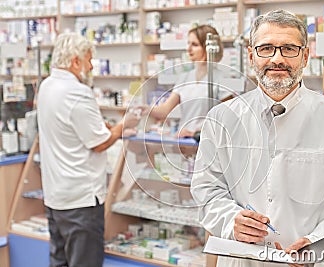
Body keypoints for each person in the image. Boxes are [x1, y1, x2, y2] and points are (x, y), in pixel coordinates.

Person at [190, 9, 324, 267]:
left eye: (289, 48)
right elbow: (206, 190)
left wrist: (319, 242)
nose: (277, 59)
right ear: (250, 55)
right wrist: (230, 220)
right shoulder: (221, 118)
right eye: (266, 48)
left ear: (306, 56)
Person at [37, 32, 138, 267]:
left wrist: (108, 128)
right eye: (89, 60)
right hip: (80, 202)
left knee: (59, 261)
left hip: (55, 198)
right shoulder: (77, 92)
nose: (91, 66)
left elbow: (75, 128)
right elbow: (100, 142)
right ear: (75, 61)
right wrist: (125, 125)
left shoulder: (47, 86)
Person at [140, 24, 229, 138]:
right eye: (188, 43)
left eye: (195, 45)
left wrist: (196, 133)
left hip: (208, 141)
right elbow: (165, 110)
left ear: (208, 48)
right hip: (184, 141)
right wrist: (146, 109)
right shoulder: (184, 78)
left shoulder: (221, 78)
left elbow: (228, 118)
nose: (189, 49)